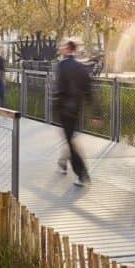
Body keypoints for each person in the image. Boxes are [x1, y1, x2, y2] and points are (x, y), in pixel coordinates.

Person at [55, 40, 92, 186]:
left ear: (67, 49)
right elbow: (88, 88)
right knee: (69, 138)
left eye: (62, 47)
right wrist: (95, 113)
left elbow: (59, 88)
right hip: (77, 109)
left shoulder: (62, 65)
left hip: (64, 109)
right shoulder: (80, 66)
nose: (61, 49)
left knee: (69, 140)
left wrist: (55, 105)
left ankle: (82, 173)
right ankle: (62, 163)